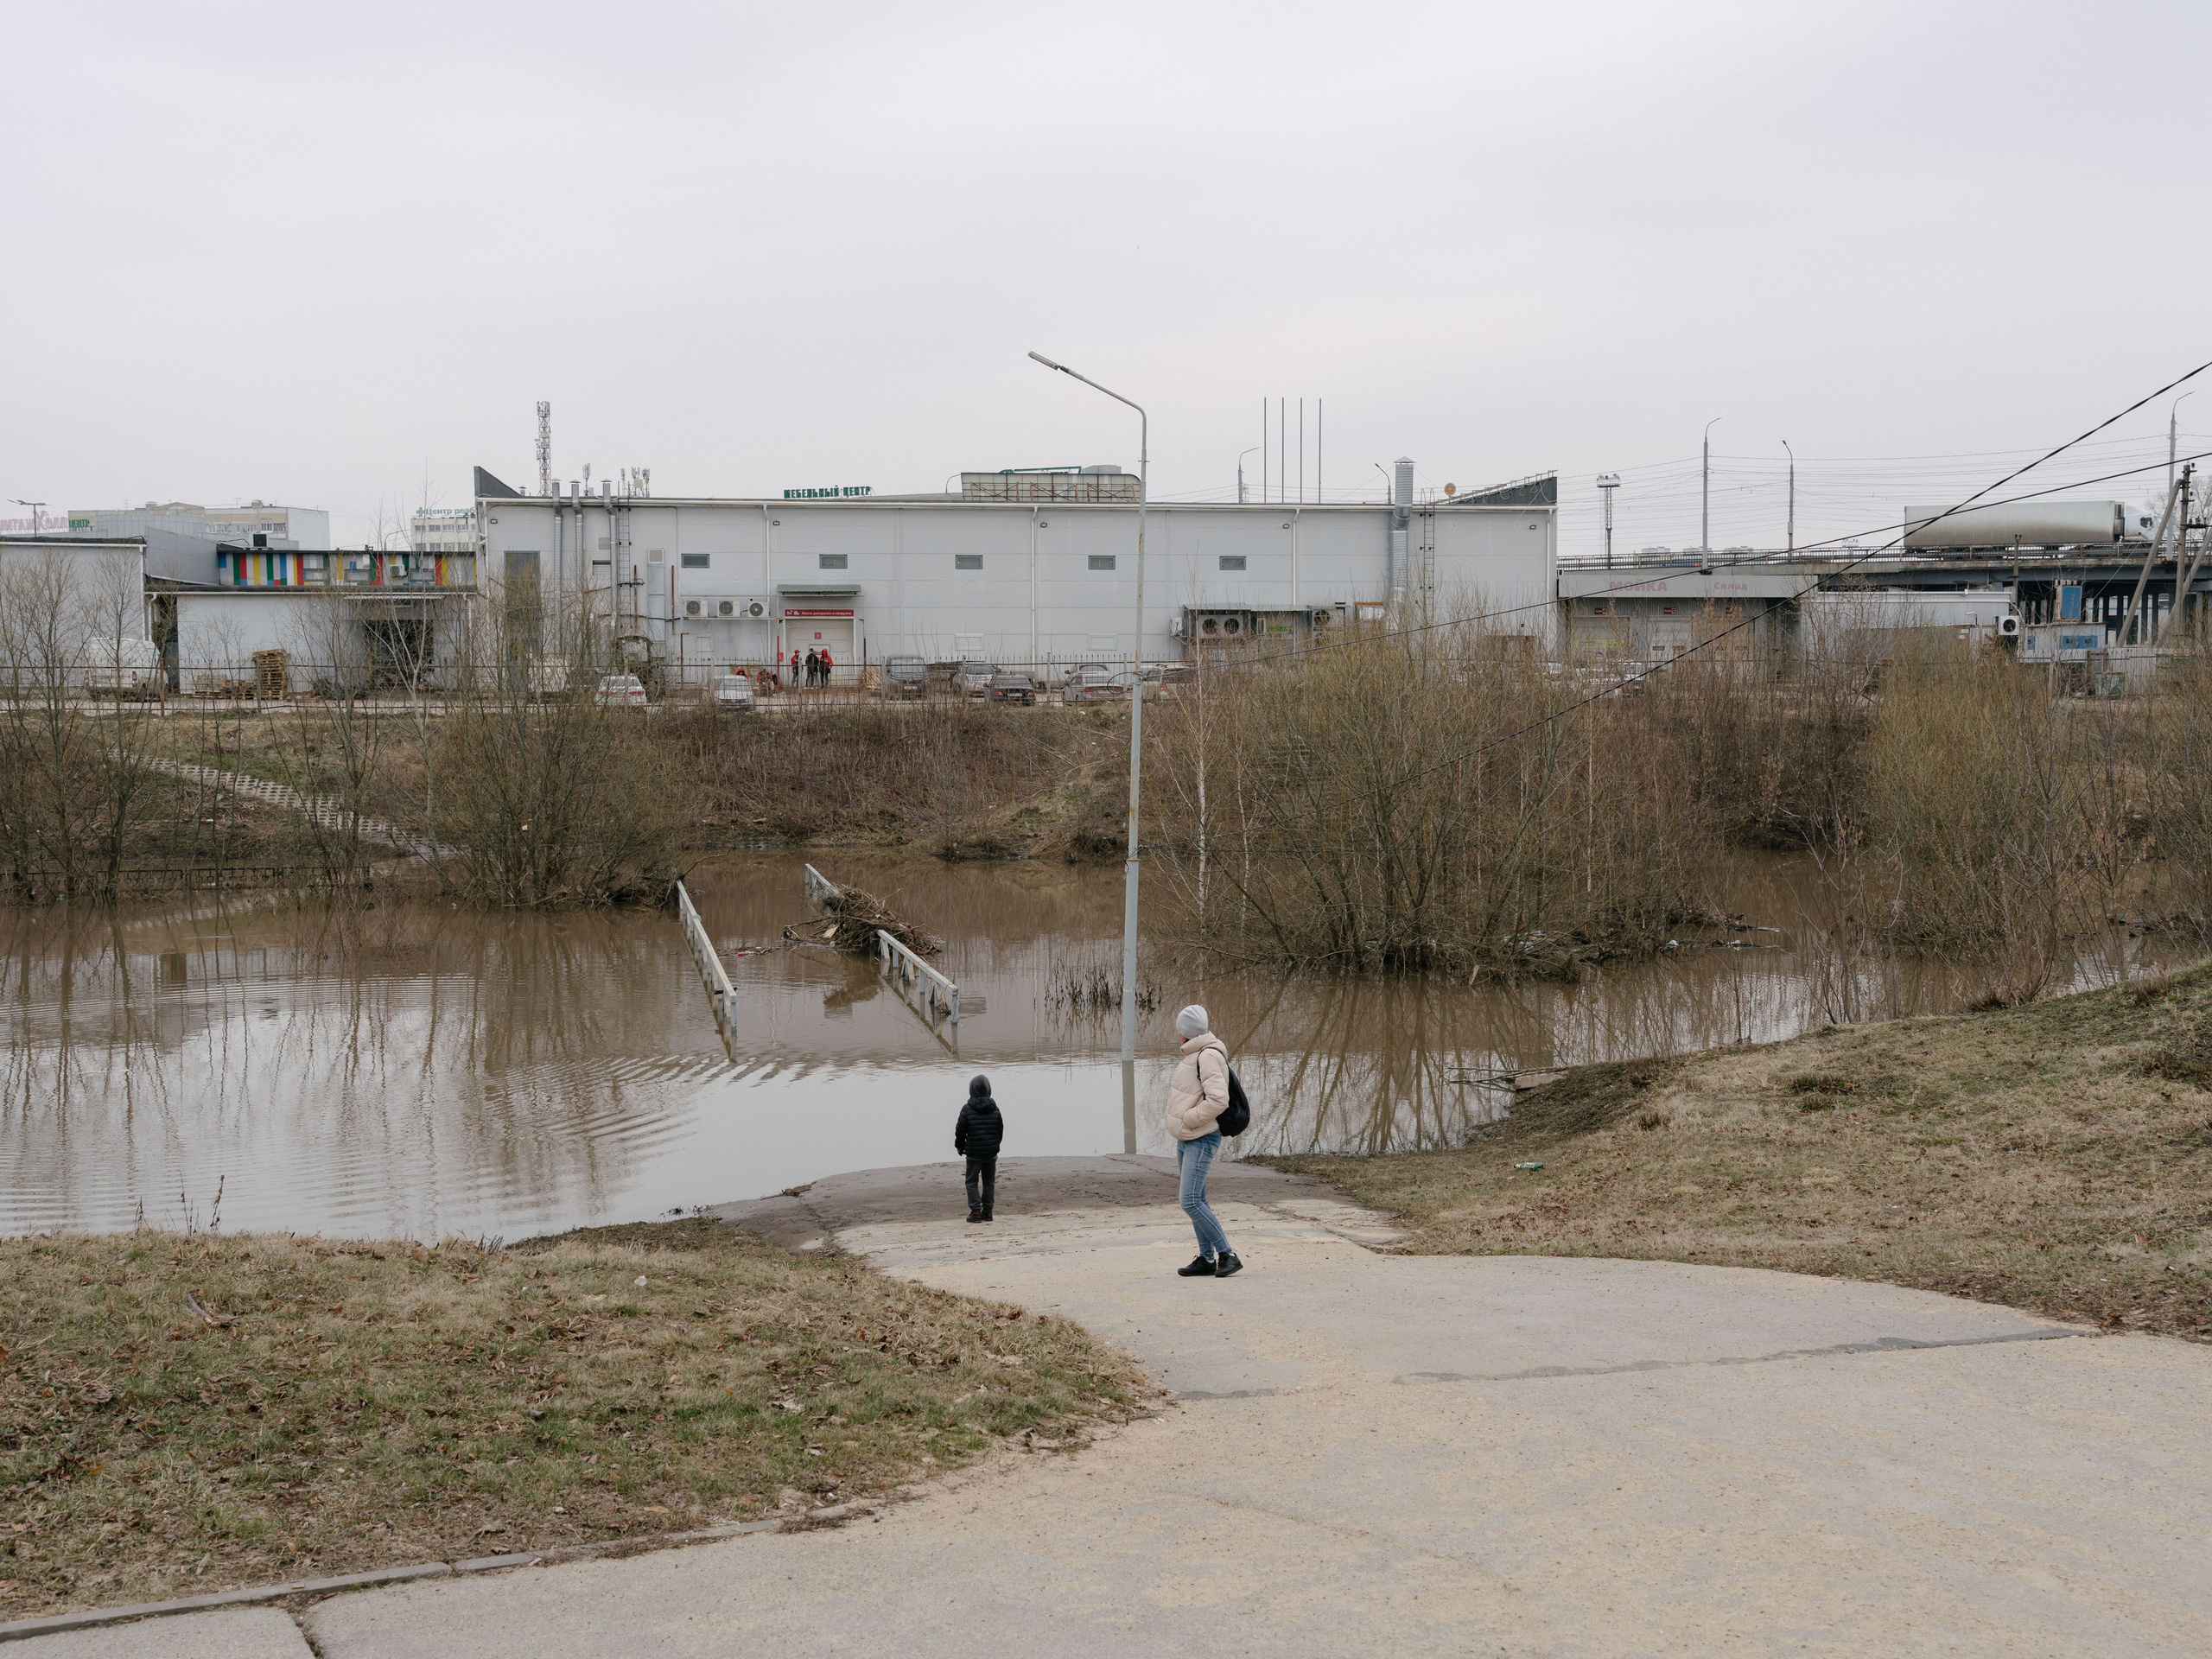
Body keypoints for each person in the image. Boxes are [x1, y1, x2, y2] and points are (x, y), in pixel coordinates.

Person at [1165, 1004, 1240, 1278]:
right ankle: (1206, 1259)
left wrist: (1191, 1119)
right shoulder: (1195, 1053)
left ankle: (1227, 1254)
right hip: (1187, 1138)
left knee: (1190, 1201)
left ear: (1184, 1033)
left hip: (1201, 1137)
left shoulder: (1206, 1056)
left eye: (1178, 1029)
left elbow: (1219, 1099)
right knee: (1199, 1199)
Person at [954, 1073, 1002, 1223]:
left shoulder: (967, 1109)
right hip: (990, 1153)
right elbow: (1000, 1130)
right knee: (989, 1182)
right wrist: (995, 1146)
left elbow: (960, 1131)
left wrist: (960, 1147)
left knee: (971, 1181)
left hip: (974, 1153)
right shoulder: (995, 1109)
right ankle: (988, 1211)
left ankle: (975, 1212)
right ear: (989, 1090)